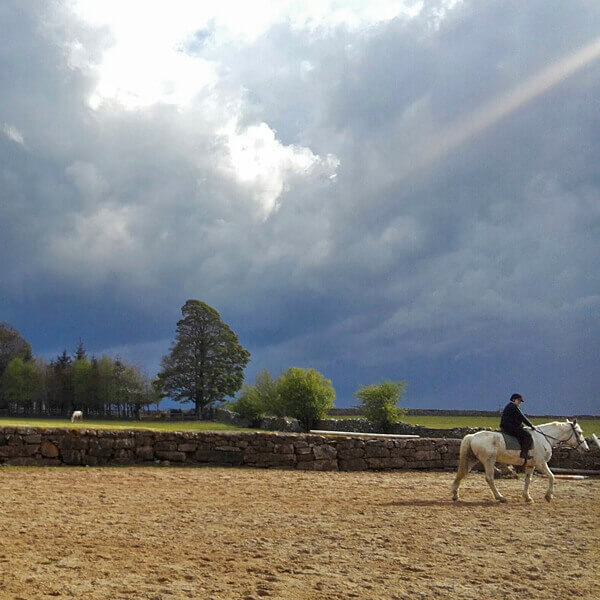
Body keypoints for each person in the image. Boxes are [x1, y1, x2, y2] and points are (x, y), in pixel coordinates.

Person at [500, 393, 536, 464]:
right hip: (510, 428)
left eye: (520, 401)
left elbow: (516, 419)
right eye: (519, 400)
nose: (520, 402)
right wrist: (531, 425)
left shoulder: (510, 406)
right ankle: (524, 453)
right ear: (513, 400)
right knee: (527, 436)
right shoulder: (513, 407)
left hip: (507, 426)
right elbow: (522, 417)